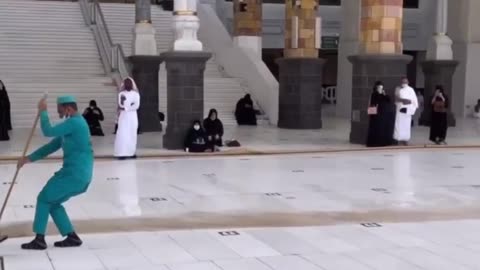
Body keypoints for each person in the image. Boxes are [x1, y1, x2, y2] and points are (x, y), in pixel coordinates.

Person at [17, 95, 94, 250]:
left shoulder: (75, 123)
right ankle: (71, 237)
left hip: (74, 174)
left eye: (60, 110)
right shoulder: (70, 125)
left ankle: (39, 239)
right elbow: (51, 146)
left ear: (68, 109)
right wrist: (28, 159)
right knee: (52, 202)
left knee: (44, 198)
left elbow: (48, 131)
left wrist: (43, 112)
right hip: (77, 175)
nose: (58, 113)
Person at [114, 77, 140, 159]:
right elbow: (121, 105)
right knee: (122, 133)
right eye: (126, 83)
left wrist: (126, 108)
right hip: (124, 116)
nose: (127, 84)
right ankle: (121, 153)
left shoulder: (136, 94)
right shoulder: (121, 94)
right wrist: (128, 106)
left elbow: (136, 105)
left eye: (129, 83)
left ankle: (131, 152)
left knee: (132, 134)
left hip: (132, 116)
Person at [366, 81, 395, 147]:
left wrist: (384, 94)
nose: (380, 88)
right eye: (379, 87)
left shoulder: (383, 93)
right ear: (376, 87)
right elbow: (373, 103)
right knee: (375, 128)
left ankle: (382, 142)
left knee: (382, 128)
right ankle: (374, 143)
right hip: (375, 114)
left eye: (381, 86)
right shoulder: (374, 94)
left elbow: (389, 100)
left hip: (383, 114)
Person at [394, 78, 418, 146]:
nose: (404, 83)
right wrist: (403, 101)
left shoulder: (411, 89)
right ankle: (399, 139)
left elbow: (414, 100)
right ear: (401, 82)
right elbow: (396, 99)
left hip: (408, 110)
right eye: (403, 82)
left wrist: (411, 105)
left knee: (406, 126)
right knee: (399, 125)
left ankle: (405, 139)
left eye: (406, 82)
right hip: (400, 109)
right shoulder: (398, 89)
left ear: (408, 82)